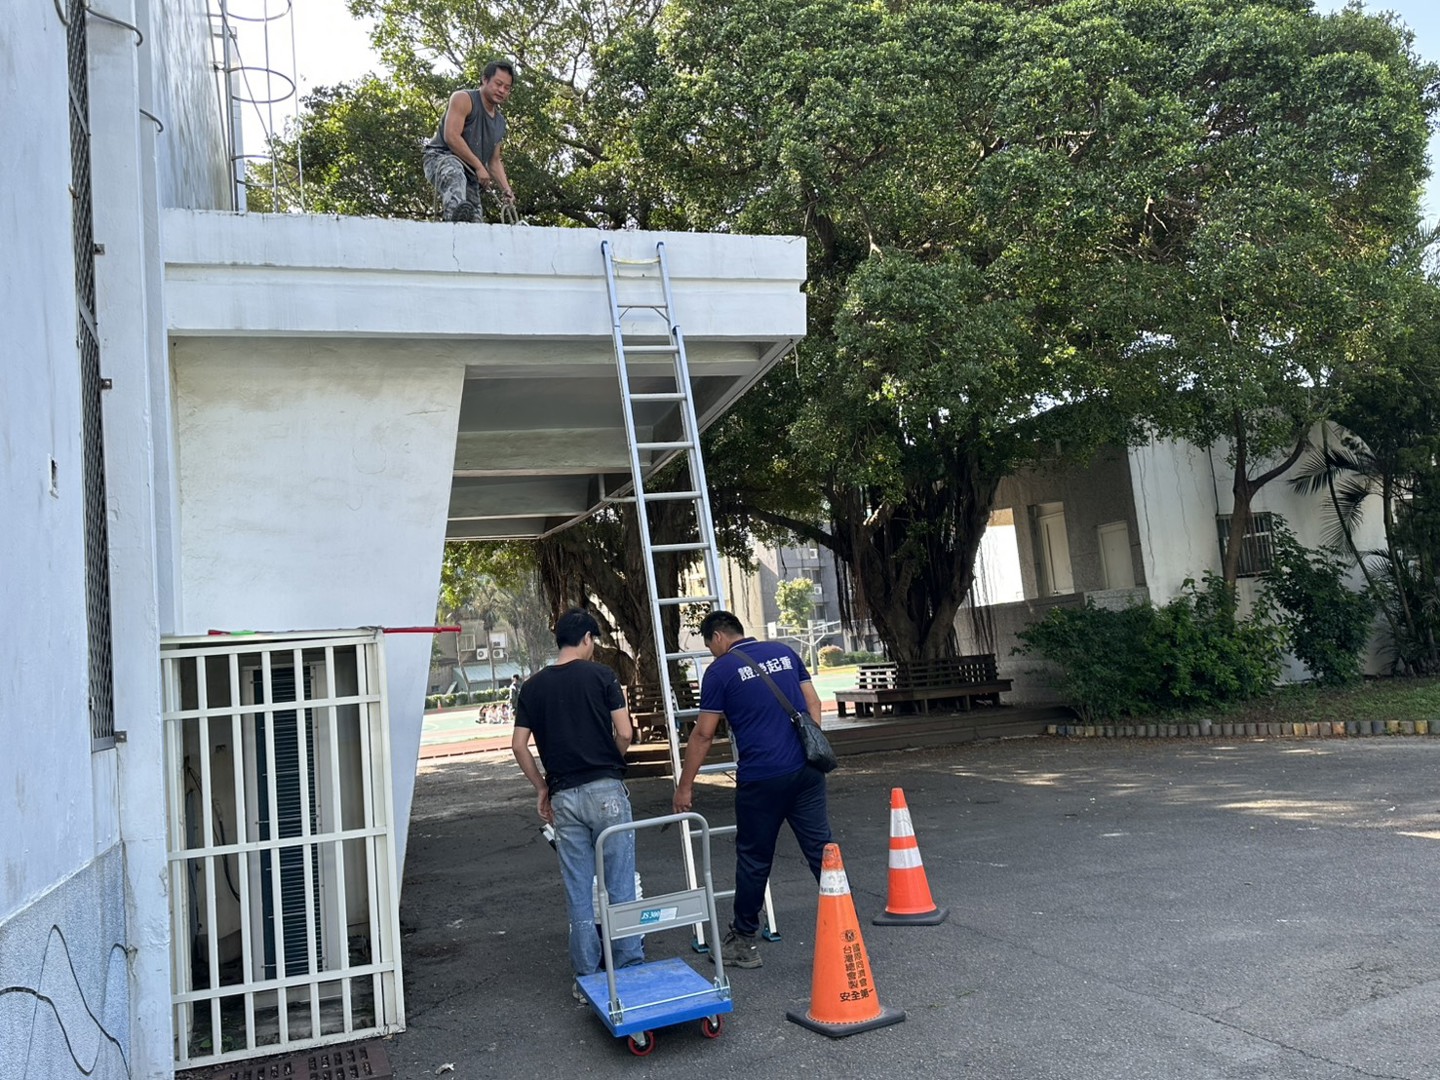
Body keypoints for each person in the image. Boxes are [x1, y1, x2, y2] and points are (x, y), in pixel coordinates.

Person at [672, 610, 832, 969]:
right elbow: (814, 704)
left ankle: (743, 940)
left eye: (709, 645)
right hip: (807, 772)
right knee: (822, 850)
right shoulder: (785, 652)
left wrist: (685, 786)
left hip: (761, 778)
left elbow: (703, 734)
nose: (712, 651)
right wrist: (810, 747)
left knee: (754, 858)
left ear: (717, 637)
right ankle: (845, 925)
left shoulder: (720, 671)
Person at [512, 608, 643, 995]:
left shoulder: (532, 687)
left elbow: (518, 745)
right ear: (586, 638)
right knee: (620, 883)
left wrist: (542, 787)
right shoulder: (602, 676)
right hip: (607, 791)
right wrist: (611, 761)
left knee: (579, 888)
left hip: (564, 795)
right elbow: (625, 732)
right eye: (594, 641)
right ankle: (629, 967)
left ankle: (587, 976)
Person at [422, 59, 516, 223]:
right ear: (485, 80)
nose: (502, 90)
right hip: (441, 158)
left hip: (470, 173)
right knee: (455, 175)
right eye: (498, 84)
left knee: (475, 219)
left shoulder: (500, 123)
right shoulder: (464, 99)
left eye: (507, 88)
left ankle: (467, 229)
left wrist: (506, 190)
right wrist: (479, 166)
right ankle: (452, 225)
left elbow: (494, 161)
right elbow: (452, 136)